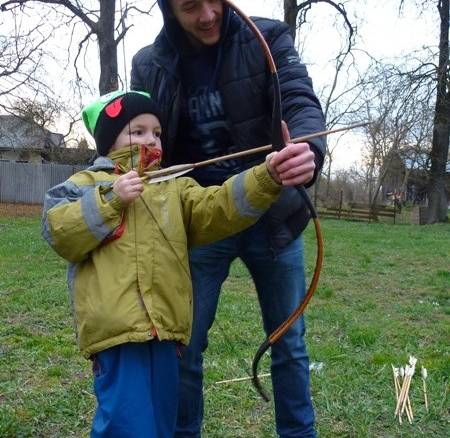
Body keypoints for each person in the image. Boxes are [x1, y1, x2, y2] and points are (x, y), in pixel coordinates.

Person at [41, 90, 318, 438]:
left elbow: (220, 206)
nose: (151, 139)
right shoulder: (83, 186)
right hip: (118, 335)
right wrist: (112, 198)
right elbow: (59, 230)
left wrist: (267, 176)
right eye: (137, 131)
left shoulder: (172, 187)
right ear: (109, 140)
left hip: (166, 332)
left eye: (156, 132)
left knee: (161, 425)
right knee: (125, 424)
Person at [131, 1, 326, 436]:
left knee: (289, 343)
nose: (205, 16)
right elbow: (137, 133)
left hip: (273, 214)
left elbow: (299, 100)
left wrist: (308, 150)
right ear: (168, 10)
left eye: (212, 1)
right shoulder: (150, 63)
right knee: (184, 344)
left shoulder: (269, 37)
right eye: (188, 7)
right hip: (201, 220)